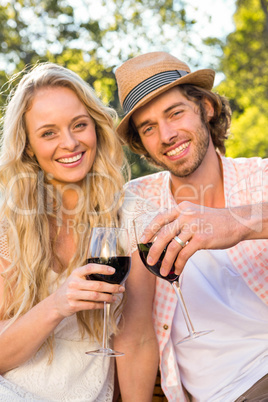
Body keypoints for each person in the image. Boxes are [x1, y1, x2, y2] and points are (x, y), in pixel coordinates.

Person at [114, 52, 268, 401]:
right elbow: (135, 332)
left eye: (175, 113)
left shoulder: (260, 177)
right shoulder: (137, 202)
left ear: (206, 108)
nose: (167, 135)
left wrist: (236, 222)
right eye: (149, 127)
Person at [0, 62, 129, 401]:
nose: (70, 143)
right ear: (28, 145)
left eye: (79, 125)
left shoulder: (126, 216)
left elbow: (139, 338)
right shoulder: (9, 226)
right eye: (48, 133)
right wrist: (57, 304)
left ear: (96, 128)